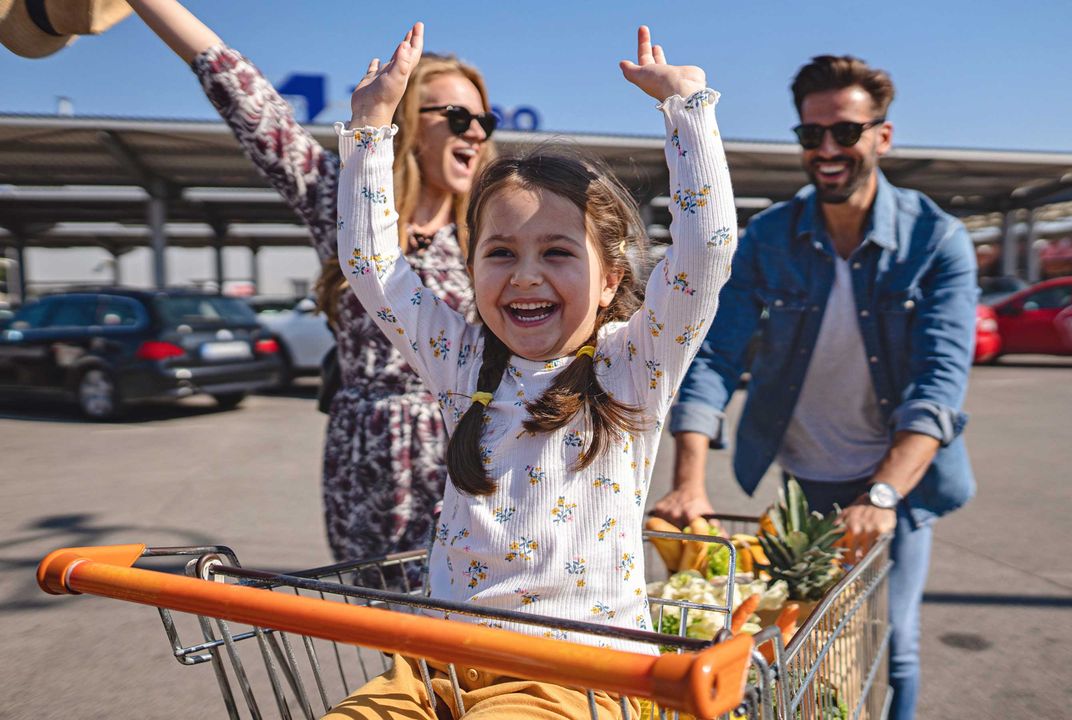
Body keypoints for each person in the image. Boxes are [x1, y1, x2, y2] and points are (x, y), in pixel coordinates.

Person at [324, 23, 735, 719]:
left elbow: (707, 252)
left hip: (570, 673)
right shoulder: (460, 360)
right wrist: (370, 126)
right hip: (432, 662)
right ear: (470, 264)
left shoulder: (632, 365)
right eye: (502, 253)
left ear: (610, 278)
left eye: (557, 252)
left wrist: (687, 110)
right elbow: (370, 266)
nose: (526, 276)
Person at [654, 54, 979, 720]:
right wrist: (689, 478)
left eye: (846, 133)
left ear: (881, 137)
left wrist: (883, 493)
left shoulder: (937, 241)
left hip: (894, 490)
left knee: (892, 651)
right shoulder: (770, 238)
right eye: (811, 135)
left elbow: (938, 386)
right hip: (803, 484)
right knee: (799, 650)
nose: (828, 150)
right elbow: (715, 356)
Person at [123, 0, 496, 567]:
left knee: (460, 625)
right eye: (458, 117)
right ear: (408, 122)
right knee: (371, 628)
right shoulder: (343, 200)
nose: (475, 133)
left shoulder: (491, 231)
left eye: (484, 122)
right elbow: (249, 101)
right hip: (362, 451)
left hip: (460, 452)